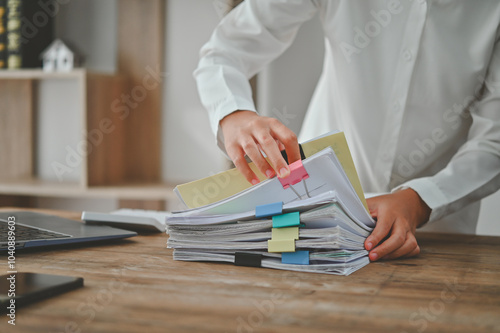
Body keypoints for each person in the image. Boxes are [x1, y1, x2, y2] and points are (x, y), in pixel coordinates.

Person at [194, 0, 500, 261]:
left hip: (436, 239)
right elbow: (226, 50)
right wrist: (234, 113)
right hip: (314, 220)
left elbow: (494, 143)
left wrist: (420, 200)